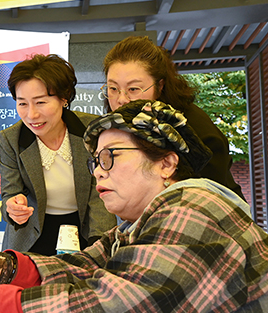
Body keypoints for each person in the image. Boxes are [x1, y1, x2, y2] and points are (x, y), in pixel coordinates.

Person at [0, 100, 268, 313]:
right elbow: (83, 266)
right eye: (96, 159)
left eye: (110, 156)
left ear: (166, 164)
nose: (97, 169)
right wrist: (3, 268)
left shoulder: (195, 209)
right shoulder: (137, 223)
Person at [102, 35, 245, 200]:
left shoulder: (193, 129)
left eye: (133, 89)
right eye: (113, 88)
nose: (121, 99)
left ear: (160, 85)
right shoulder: (125, 124)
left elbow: (211, 199)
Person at [0, 54, 115, 255]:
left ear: (64, 98)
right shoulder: (11, 139)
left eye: (41, 102)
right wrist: (13, 208)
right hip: (32, 237)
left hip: (85, 230)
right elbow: (10, 193)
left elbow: (100, 192)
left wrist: (99, 244)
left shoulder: (92, 130)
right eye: (22, 103)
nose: (31, 115)